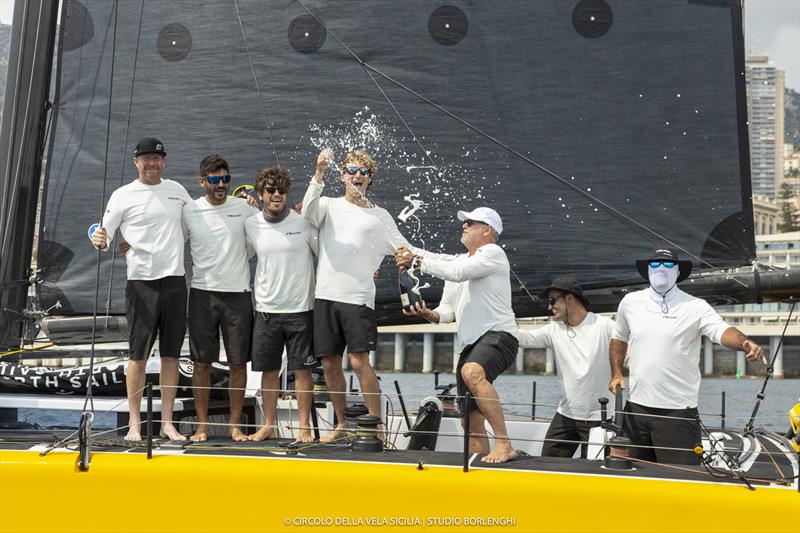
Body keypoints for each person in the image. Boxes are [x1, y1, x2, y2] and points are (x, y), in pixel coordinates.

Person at [303, 147, 422, 442]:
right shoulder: (327, 204)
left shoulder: (380, 217)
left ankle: (377, 426)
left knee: (358, 362)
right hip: (326, 296)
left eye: (364, 172)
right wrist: (318, 172)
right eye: (352, 171)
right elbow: (307, 211)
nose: (358, 176)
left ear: (370, 179)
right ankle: (342, 424)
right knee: (329, 363)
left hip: (358, 300)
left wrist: (416, 261)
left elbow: (404, 249)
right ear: (342, 176)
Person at [608, 248, 766, 464]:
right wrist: (616, 373)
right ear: (647, 269)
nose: (660, 269)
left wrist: (745, 343)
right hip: (636, 409)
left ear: (677, 271)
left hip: (677, 413)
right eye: (655, 264)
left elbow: (721, 331)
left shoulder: (696, 306)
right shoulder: (629, 302)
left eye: (667, 264)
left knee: (681, 481)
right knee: (632, 478)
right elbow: (618, 339)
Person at [396, 207, 519, 463]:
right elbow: (447, 312)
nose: (464, 225)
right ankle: (479, 468)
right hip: (470, 345)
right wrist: (428, 314)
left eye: (471, 222)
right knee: (469, 421)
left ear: (487, 230)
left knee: (472, 372)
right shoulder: (458, 262)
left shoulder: (493, 253)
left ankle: (505, 445)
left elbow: (456, 271)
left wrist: (415, 261)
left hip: (499, 335)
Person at [91, 137, 192, 442]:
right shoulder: (123, 195)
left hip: (175, 281)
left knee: (171, 356)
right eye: (145, 158)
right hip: (141, 284)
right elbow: (103, 231)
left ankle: (167, 424)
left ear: (164, 161)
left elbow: (196, 225)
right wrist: (99, 240)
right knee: (137, 357)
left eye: (157, 158)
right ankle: (135, 424)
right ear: (136, 161)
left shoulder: (177, 191)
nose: (152, 163)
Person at [182, 155, 257, 442]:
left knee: (238, 364)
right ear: (203, 182)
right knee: (202, 363)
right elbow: (168, 239)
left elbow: (264, 238)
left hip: (238, 294)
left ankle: (235, 426)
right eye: (214, 180)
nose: (221, 184)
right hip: (202, 293)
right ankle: (202, 426)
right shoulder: (190, 210)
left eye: (226, 179)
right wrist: (130, 242)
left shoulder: (244, 209)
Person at [246, 165, 318, 443]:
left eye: (282, 190)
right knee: (269, 371)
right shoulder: (251, 224)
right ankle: (268, 425)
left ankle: (303, 428)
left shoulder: (303, 221)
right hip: (266, 310)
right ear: (261, 194)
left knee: (303, 369)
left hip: (301, 309)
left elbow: (325, 253)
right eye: (271, 190)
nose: (277, 195)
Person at [517, 277, 614, 458]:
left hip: (599, 419)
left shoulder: (605, 326)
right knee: (547, 465)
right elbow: (523, 338)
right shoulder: (554, 330)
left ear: (569, 298)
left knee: (595, 476)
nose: (549, 307)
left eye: (553, 300)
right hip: (566, 414)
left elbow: (632, 354)